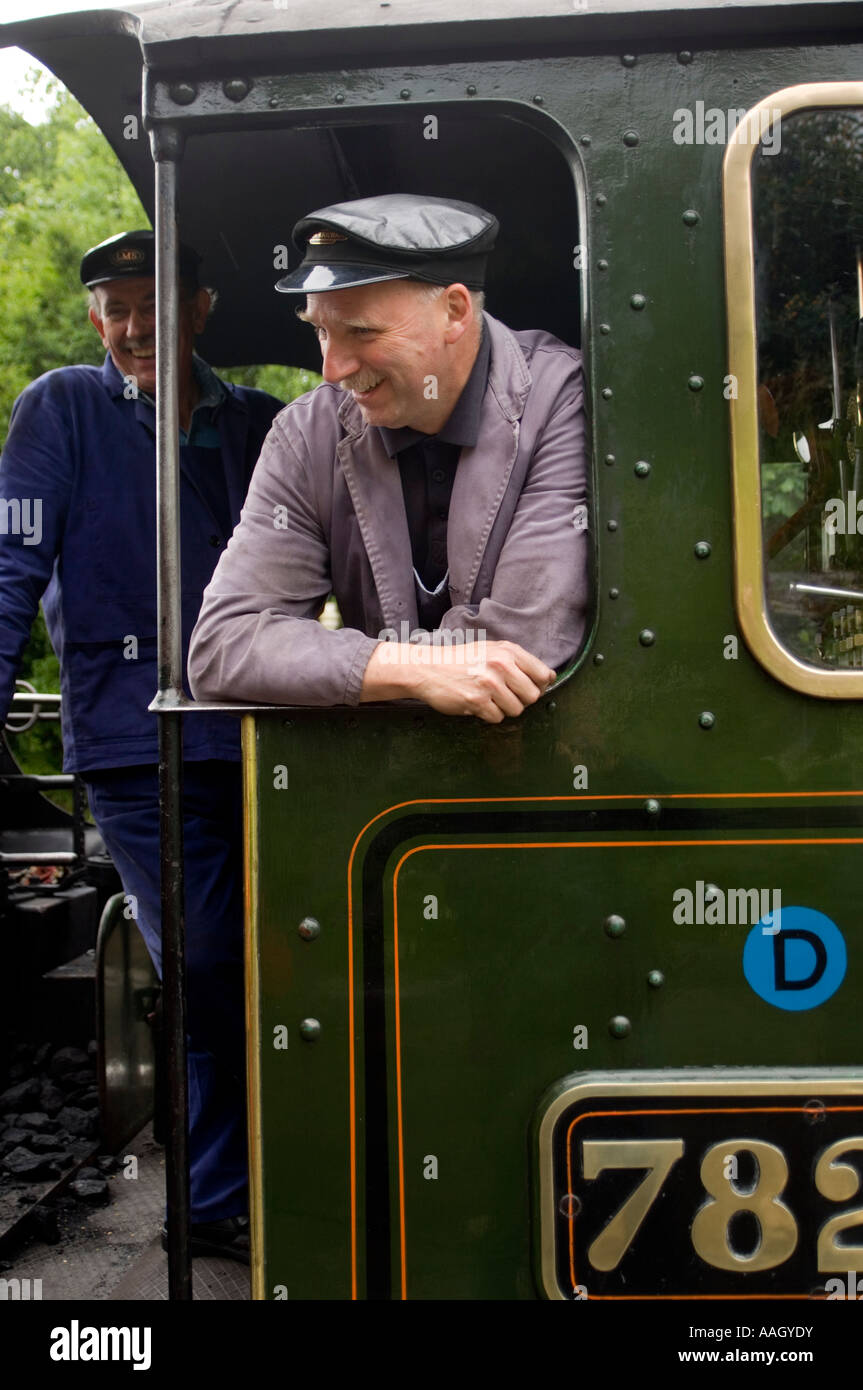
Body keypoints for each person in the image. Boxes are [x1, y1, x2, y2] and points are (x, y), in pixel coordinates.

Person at [0, 230, 284, 1262]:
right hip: (134, 741)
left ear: (199, 307)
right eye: (112, 306)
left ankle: (269, 1167)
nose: (129, 326)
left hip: (261, 734)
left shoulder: (255, 423)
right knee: (205, 963)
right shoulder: (63, 408)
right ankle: (210, 1194)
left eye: (151, 302)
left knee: (279, 958)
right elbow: (8, 564)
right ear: (91, 319)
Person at [188, 194, 589, 717]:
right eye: (320, 331)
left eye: (361, 332)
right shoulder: (306, 433)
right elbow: (222, 647)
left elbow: (527, 646)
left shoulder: (562, 396)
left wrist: (353, 668)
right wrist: (417, 670)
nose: (331, 369)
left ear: (455, 311)